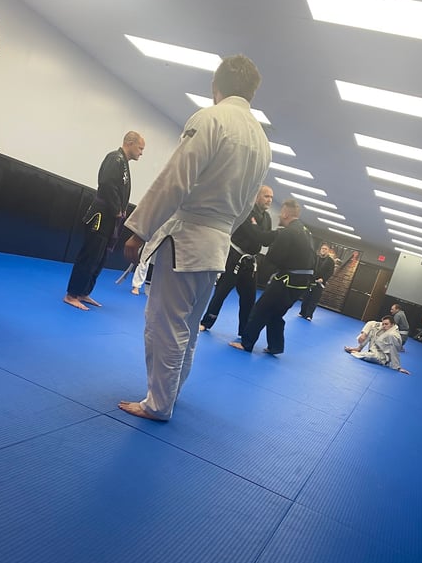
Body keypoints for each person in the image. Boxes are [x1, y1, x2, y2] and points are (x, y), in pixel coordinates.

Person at [118, 54, 271, 421]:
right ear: (251, 92)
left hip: (186, 241)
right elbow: (246, 207)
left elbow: (176, 179)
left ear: (216, 85)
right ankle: (170, 393)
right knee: (188, 327)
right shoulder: (262, 142)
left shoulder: (210, 119)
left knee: (164, 324)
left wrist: (139, 230)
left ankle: (158, 403)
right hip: (218, 246)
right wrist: (222, 233)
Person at [64, 131, 145, 310]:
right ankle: (72, 294)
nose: (141, 153)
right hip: (101, 217)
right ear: (130, 143)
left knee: (99, 258)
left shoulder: (123, 163)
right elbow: (107, 184)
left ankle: (83, 292)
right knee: (89, 256)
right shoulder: (114, 158)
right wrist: (117, 210)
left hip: (110, 219)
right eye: (140, 148)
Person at [230, 199, 314, 354]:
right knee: (276, 313)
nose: (279, 216)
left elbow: (274, 258)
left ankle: (246, 343)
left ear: (286, 213)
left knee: (261, 309)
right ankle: (276, 346)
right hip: (302, 283)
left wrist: (259, 272)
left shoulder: (288, 232)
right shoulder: (305, 232)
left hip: (287, 280)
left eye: (281, 213)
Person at [199, 185, 274, 335]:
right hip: (235, 257)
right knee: (221, 292)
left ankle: (243, 331)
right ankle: (206, 322)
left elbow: (265, 241)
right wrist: (268, 235)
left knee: (249, 299)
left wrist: (265, 234)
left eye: (271, 197)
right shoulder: (247, 212)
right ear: (257, 196)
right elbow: (257, 235)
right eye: (266, 196)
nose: (269, 200)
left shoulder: (267, 218)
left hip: (251, 262)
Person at [345, 315, 410, 374]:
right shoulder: (385, 326)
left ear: (392, 324)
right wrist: (364, 334)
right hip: (375, 349)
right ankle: (358, 349)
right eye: (383, 324)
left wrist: (398, 367)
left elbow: (394, 351)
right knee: (372, 330)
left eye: (386, 324)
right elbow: (371, 323)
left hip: (383, 357)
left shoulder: (393, 335)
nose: (384, 326)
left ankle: (356, 353)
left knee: (370, 357)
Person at [298, 242, 335, 321]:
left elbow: (330, 272)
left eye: (325, 249)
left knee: (314, 299)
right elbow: (310, 266)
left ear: (328, 251)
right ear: (320, 249)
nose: (323, 250)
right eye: (322, 248)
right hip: (311, 280)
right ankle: (302, 312)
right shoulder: (315, 258)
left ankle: (309, 315)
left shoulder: (330, 262)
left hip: (320, 283)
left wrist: (323, 279)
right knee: (306, 297)